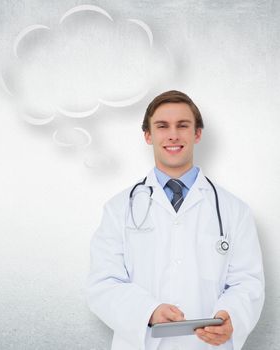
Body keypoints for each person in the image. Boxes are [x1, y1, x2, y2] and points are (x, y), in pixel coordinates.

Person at [86, 90, 265, 350]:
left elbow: (247, 282)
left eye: (183, 125)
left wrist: (232, 317)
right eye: (162, 126)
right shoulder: (118, 209)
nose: (173, 135)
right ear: (148, 135)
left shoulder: (234, 210)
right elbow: (103, 284)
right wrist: (148, 311)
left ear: (197, 134)